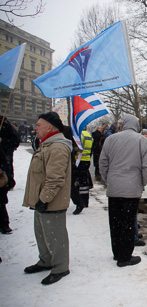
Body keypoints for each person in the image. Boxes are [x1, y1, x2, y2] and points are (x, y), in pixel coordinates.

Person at [22, 112, 72, 285]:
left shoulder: (57, 147)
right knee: (42, 234)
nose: (35, 128)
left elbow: (55, 179)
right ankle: (45, 261)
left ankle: (60, 267)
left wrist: (44, 199)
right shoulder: (47, 145)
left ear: (49, 127)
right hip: (41, 201)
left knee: (55, 236)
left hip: (51, 201)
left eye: (38, 125)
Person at [99, 114, 147, 267]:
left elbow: (103, 163)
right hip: (132, 187)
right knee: (128, 223)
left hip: (114, 188)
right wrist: (142, 182)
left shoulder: (110, 139)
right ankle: (125, 257)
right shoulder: (143, 141)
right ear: (136, 125)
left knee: (115, 222)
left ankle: (117, 252)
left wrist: (108, 179)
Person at [0, 116, 20, 234]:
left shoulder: (4, 123)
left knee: (1, 199)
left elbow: (14, 141)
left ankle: (4, 224)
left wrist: (3, 141)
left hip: (2, 166)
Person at [72, 128, 93, 215]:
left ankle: (80, 201)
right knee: (84, 181)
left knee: (77, 181)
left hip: (79, 160)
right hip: (87, 160)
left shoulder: (79, 136)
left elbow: (77, 148)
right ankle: (85, 200)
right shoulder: (88, 135)